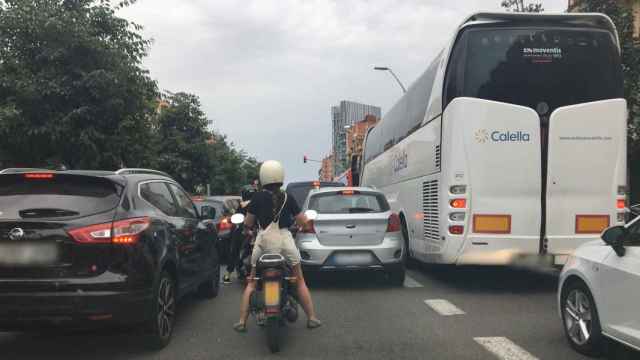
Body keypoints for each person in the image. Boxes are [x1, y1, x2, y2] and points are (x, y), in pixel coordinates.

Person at [234, 160, 322, 332]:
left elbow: (248, 223)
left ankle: (242, 322)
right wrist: (304, 226)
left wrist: (248, 229)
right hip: (285, 243)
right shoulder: (288, 197)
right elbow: (303, 222)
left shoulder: (257, 197)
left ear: (262, 177)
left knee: (251, 282)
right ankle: (312, 318)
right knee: (299, 280)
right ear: (281, 176)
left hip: (263, 244)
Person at [223, 185, 257, 284]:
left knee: (234, 250)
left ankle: (228, 274)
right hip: (251, 231)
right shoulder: (255, 203)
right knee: (235, 249)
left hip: (248, 232)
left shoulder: (243, 205)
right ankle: (230, 273)